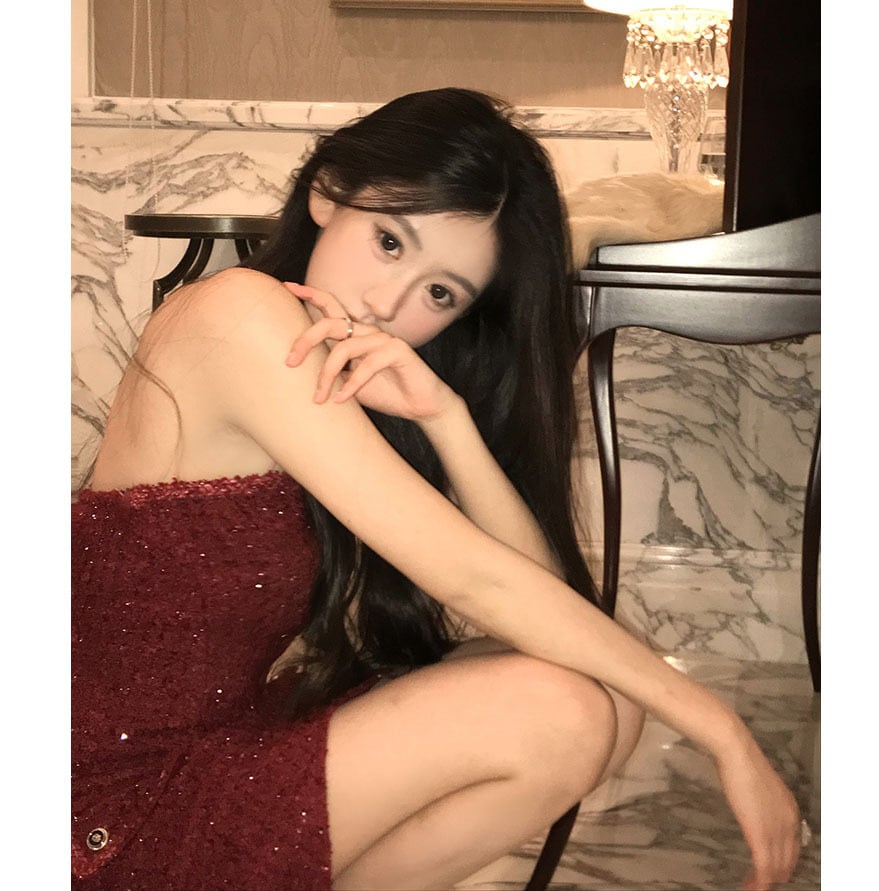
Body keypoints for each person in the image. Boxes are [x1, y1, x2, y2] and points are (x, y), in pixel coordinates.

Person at [72, 87, 802, 891]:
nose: (388, 306)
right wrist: (720, 728)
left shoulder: (338, 366)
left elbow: (532, 606)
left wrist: (445, 418)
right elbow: (476, 580)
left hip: (215, 746)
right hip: (110, 810)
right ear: (328, 192)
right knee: (560, 710)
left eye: (439, 293)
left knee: (601, 699)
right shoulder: (238, 314)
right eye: (389, 241)